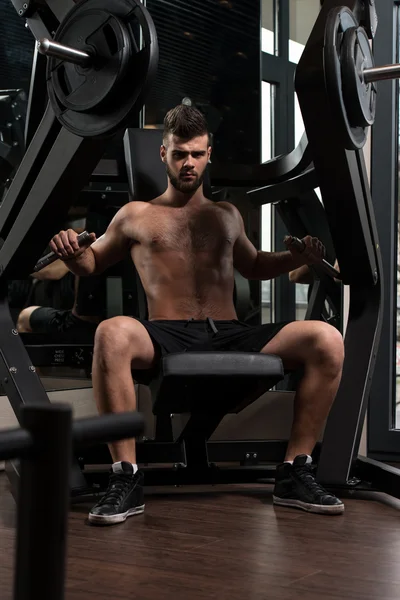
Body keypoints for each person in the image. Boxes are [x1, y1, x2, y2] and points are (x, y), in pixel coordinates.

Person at [49, 104, 345, 525]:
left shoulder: (227, 215)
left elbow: (255, 265)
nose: (189, 163)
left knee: (326, 339)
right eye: (180, 154)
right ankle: (126, 477)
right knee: (112, 332)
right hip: (166, 333)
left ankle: (295, 470)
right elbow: (91, 264)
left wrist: (294, 256)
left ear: (209, 154)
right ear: (163, 154)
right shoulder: (135, 214)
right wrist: (73, 253)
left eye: (197, 154)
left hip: (229, 332)